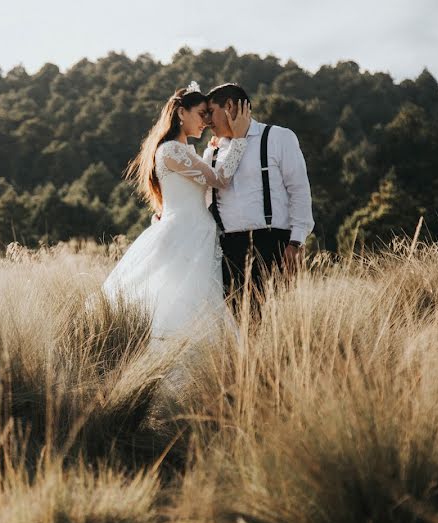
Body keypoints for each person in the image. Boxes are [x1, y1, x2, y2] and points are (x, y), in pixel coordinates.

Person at [102, 82, 251, 346]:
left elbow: (201, 192)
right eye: (201, 113)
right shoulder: (170, 150)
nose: (206, 121)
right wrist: (238, 141)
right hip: (186, 235)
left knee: (200, 304)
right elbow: (220, 180)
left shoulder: (185, 151)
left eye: (208, 114)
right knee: (182, 305)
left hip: (199, 234)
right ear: (181, 113)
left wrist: (215, 152)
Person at [201, 83, 315, 303]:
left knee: (274, 321)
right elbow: (203, 198)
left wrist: (296, 242)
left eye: (211, 112)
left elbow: (299, 190)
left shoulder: (278, 137)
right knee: (236, 323)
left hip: (273, 243)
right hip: (228, 249)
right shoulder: (212, 151)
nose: (207, 121)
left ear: (230, 106)